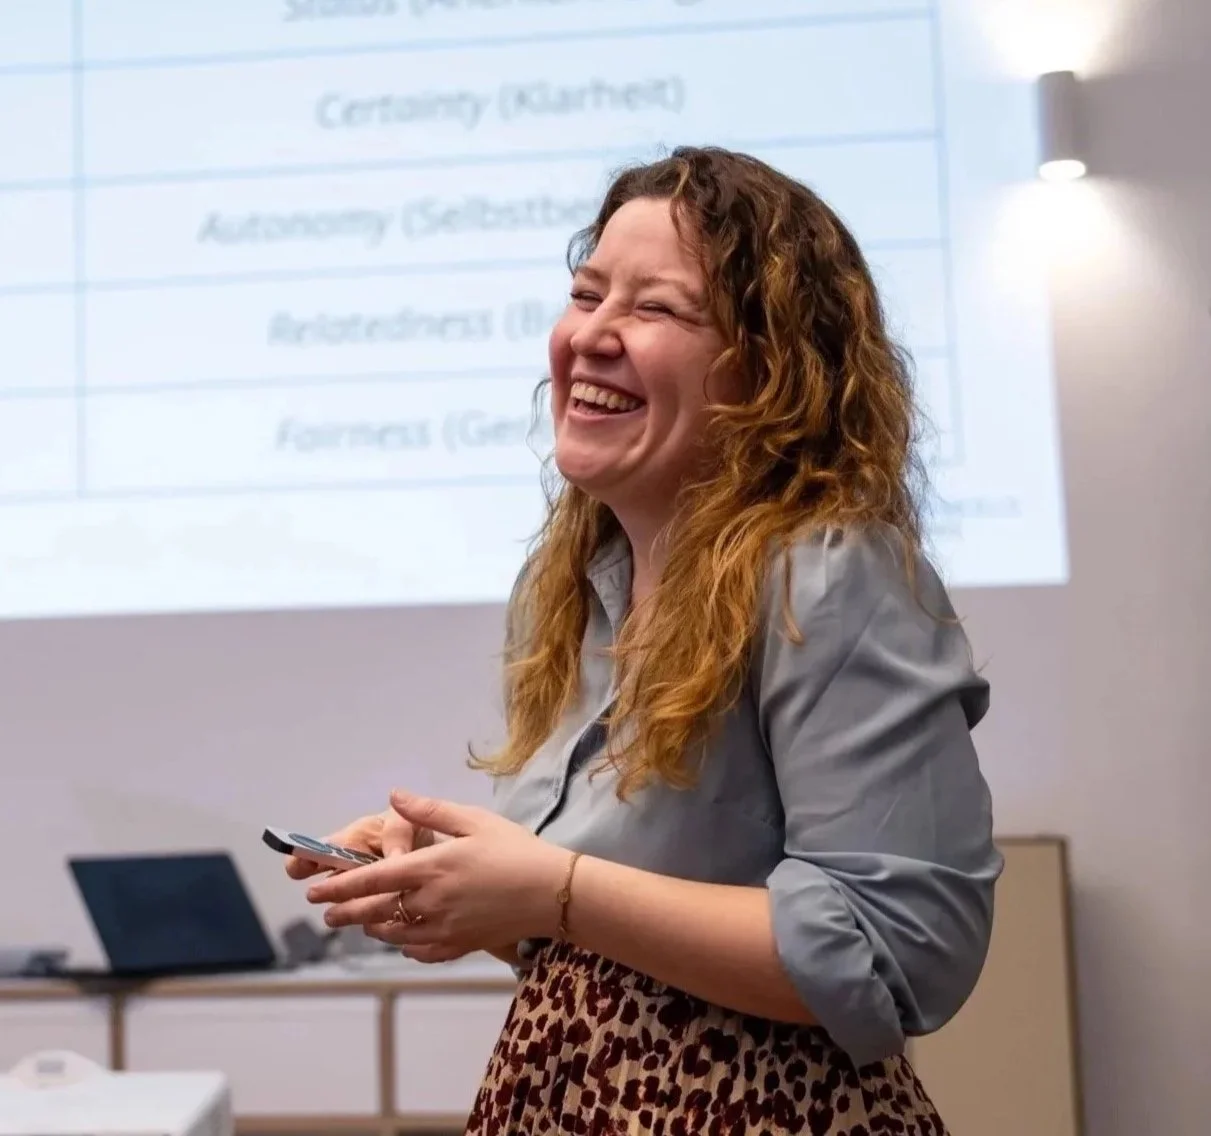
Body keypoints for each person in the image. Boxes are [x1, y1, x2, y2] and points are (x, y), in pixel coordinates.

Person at [288, 145, 1003, 1134]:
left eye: (654, 308)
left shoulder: (825, 571)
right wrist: (467, 884)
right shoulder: (575, 590)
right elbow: (613, 924)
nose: (591, 335)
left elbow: (896, 947)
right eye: (586, 294)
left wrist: (555, 888)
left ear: (768, 371)